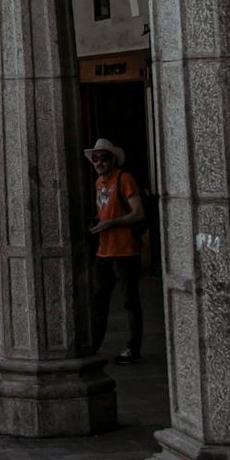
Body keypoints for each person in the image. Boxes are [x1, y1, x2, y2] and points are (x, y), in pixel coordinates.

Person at [87, 138, 146, 364]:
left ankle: (134, 347)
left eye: (103, 158)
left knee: (129, 300)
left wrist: (112, 223)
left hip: (125, 251)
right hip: (104, 250)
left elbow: (138, 212)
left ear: (113, 159)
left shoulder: (124, 178)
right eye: (95, 159)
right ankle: (94, 344)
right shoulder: (98, 183)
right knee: (98, 300)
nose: (99, 162)